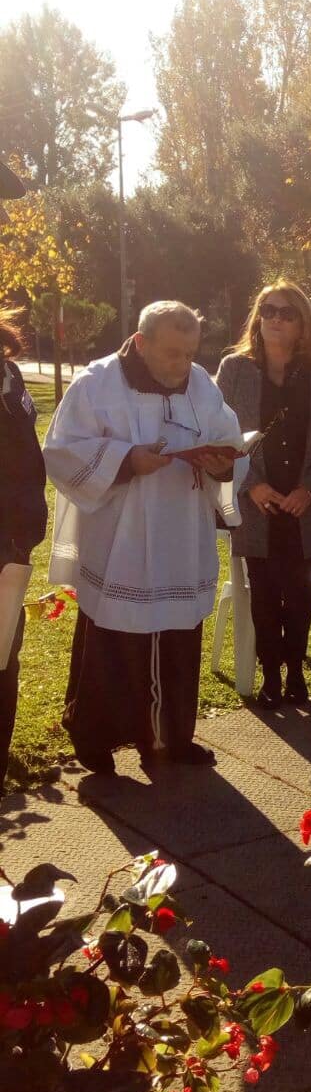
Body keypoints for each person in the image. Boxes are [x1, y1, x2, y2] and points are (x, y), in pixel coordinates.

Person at [43, 301, 245, 775]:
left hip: (181, 536)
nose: (183, 365)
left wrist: (225, 462)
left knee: (177, 635)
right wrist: (126, 459)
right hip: (122, 540)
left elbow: (229, 437)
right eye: (172, 353)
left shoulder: (201, 384)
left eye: (191, 352)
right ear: (141, 342)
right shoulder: (97, 384)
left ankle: (172, 739)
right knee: (115, 638)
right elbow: (61, 451)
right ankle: (94, 738)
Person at [215, 283, 311, 707]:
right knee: (265, 594)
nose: (275, 318)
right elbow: (222, 435)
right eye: (268, 310)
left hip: (303, 504)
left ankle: (295, 673)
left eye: (286, 313)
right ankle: (270, 675)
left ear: (302, 323)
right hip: (258, 503)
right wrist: (252, 484)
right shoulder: (234, 370)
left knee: (300, 595)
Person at [1, 308, 48, 791]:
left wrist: (25, 530)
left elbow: (25, 458)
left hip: (10, 541)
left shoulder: (9, 373)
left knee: (3, 656)